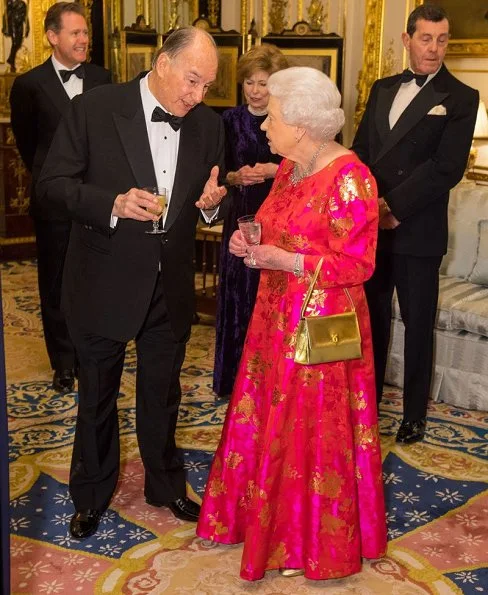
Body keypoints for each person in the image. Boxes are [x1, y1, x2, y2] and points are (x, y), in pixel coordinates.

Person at [36, 26, 227, 539]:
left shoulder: (208, 125)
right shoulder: (94, 108)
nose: (198, 96)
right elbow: (52, 185)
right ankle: (92, 494)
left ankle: (165, 486)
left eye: (207, 86)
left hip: (171, 283)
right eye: (192, 81)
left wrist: (213, 209)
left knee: (163, 393)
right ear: (162, 63)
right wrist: (112, 205)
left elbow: (211, 197)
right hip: (102, 277)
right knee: (97, 394)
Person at [197, 66, 387, 581]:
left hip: (322, 323)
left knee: (311, 430)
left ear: (302, 125)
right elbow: (277, 230)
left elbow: (357, 266)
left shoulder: (352, 178)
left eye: (274, 118)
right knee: (270, 420)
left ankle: (309, 543)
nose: (264, 127)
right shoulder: (288, 168)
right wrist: (248, 243)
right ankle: (268, 524)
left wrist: (288, 262)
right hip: (273, 313)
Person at [352, 4, 479, 445]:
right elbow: (361, 152)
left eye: (442, 40)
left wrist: (392, 206)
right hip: (371, 225)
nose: (434, 48)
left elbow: (446, 169)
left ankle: (413, 416)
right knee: (373, 322)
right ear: (407, 40)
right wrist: (364, 206)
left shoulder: (461, 98)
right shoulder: (382, 87)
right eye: (426, 39)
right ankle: (365, 405)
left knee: (419, 323)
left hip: (417, 229)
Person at [10, 2, 111, 393]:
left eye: (85, 33)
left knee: (95, 278)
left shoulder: (103, 79)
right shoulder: (29, 85)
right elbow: (27, 143)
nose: (84, 39)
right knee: (55, 282)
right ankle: (63, 362)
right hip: (53, 201)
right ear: (53, 37)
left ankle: (92, 354)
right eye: (75, 33)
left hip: (98, 199)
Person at [213, 44, 288, 398]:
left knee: (270, 297)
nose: (256, 91)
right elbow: (216, 172)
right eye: (250, 83)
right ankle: (233, 380)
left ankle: (269, 381)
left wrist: (276, 170)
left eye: (264, 83)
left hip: (279, 221)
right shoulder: (227, 121)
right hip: (240, 220)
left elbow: (308, 169)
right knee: (237, 294)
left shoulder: (289, 119)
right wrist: (234, 177)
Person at [3, 0, 29, 72]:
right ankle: (12, 63)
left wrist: (27, 28)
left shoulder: (23, 4)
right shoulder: (10, 3)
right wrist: (5, 27)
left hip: (20, 25)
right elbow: (6, 14)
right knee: (14, 42)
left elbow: (25, 17)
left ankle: (10, 59)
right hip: (13, 24)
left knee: (19, 43)